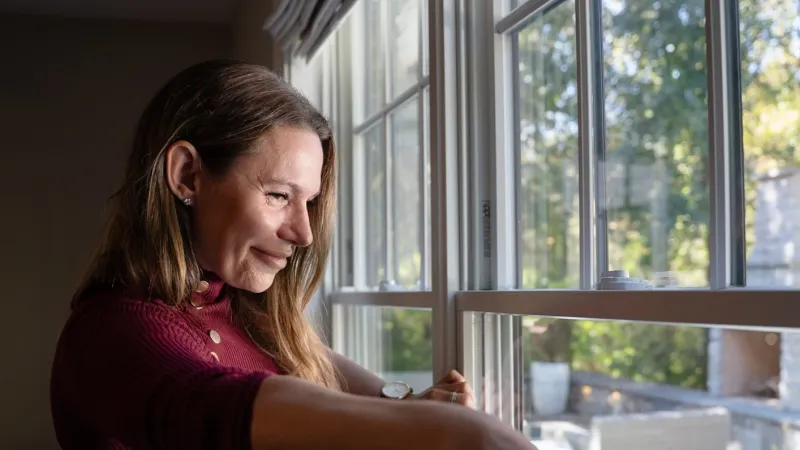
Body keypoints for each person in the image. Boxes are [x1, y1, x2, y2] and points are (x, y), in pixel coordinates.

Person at [49, 60, 537, 450]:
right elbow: (215, 405)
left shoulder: (230, 300)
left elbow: (301, 357)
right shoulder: (109, 333)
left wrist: (406, 405)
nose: (303, 233)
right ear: (187, 176)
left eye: (309, 202)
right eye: (279, 196)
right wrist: (460, 433)